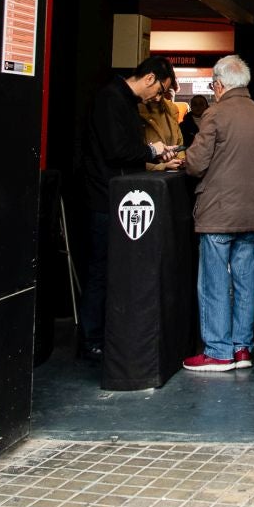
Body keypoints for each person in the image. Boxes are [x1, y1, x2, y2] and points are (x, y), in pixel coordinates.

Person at [76, 55, 181, 362]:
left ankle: (101, 334)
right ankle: (91, 338)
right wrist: (152, 149)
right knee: (101, 269)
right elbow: (116, 150)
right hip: (103, 197)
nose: (158, 98)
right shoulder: (111, 99)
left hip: (115, 196)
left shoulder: (122, 100)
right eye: (160, 90)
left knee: (111, 268)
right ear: (149, 78)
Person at [180, 56, 254, 373]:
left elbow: (195, 164)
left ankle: (218, 351)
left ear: (219, 84)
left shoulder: (215, 114)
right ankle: (242, 348)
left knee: (215, 283)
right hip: (252, 212)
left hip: (218, 212)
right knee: (247, 282)